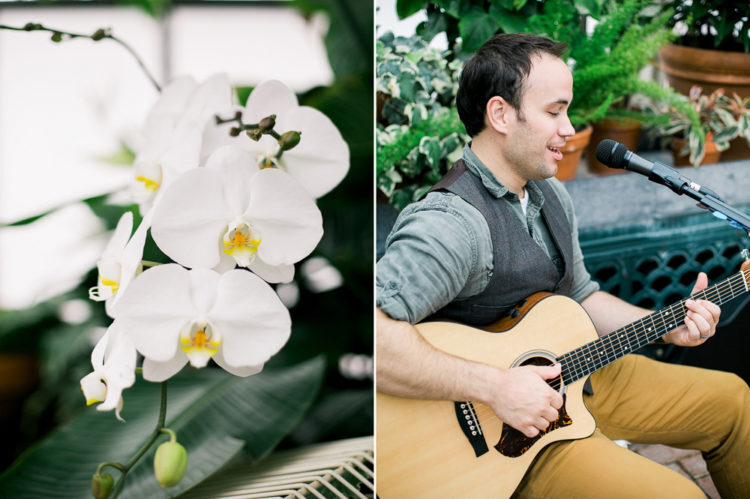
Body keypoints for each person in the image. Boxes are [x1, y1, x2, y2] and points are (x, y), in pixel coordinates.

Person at [376, 33, 750, 498]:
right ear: (500, 115)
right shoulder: (451, 226)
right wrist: (497, 388)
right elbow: (375, 340)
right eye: (554, 112)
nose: (569, 128)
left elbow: (580, 297)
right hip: (504, 437)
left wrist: (666, 326)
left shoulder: (548, 192)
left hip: (579, 377)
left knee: (736, 402)